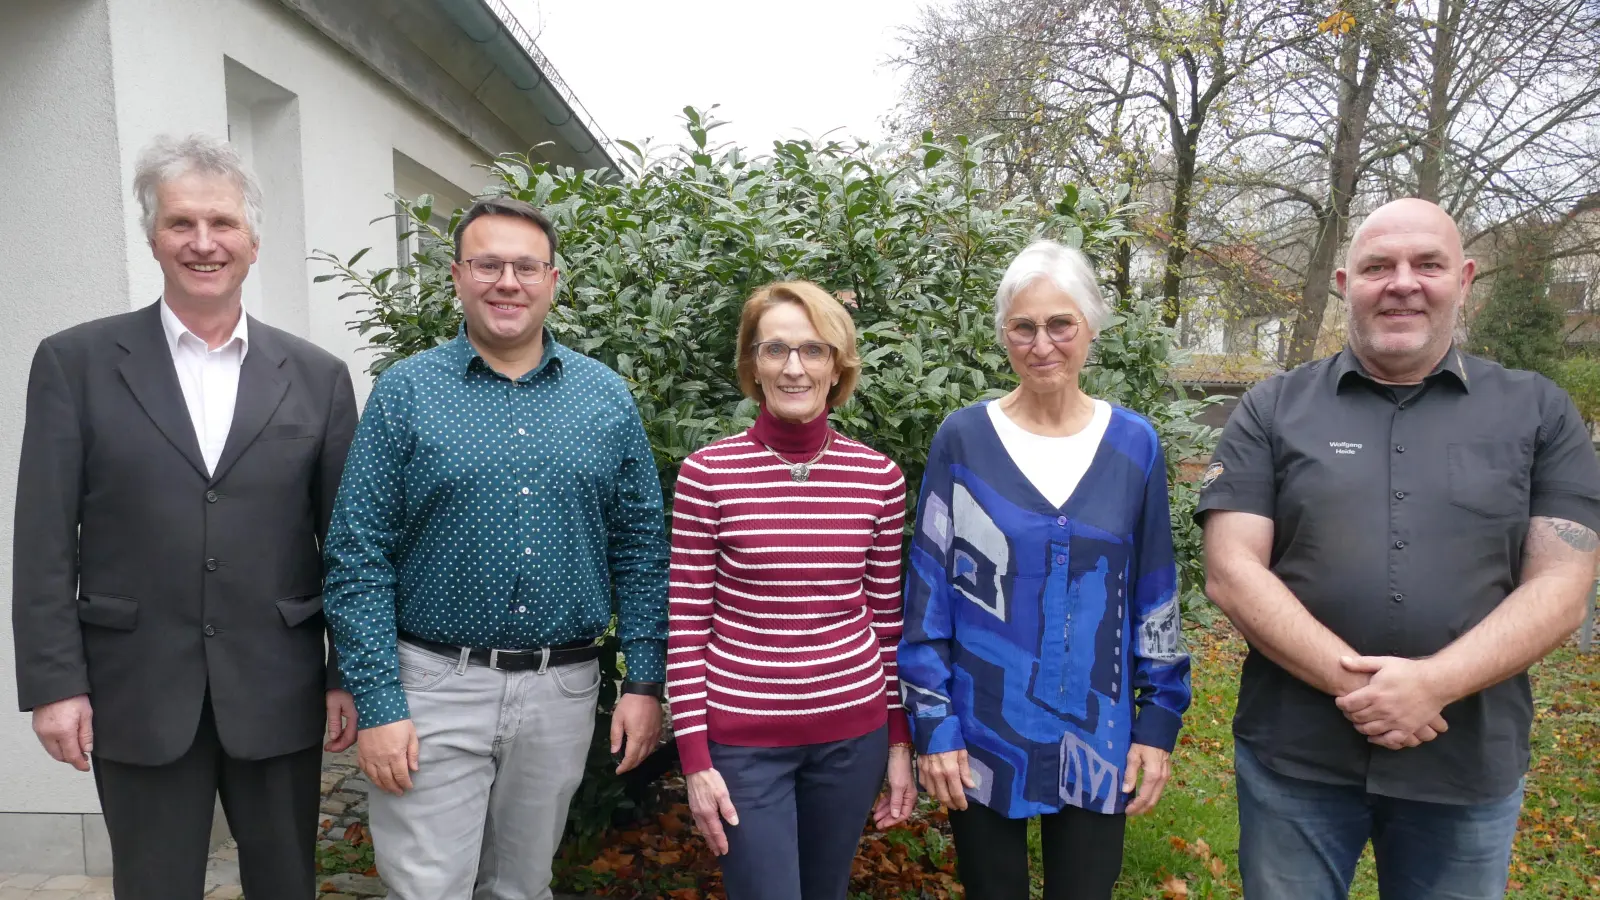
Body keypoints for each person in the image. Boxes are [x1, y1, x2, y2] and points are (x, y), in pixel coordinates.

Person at [1198, 197, 1600, 900]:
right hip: (1297, 757)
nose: (1403, 283)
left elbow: (1563, 586)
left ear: (1464, 279)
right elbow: (1232, 570)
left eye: (1428, 265)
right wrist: (1368, 692)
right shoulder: (1272, 408)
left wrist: (1433, 685)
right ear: (1345, 284)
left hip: (1465, 760)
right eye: (1378, 266)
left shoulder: (1538, 412)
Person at [11, 133, 359, 899]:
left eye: (222, 222)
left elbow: (347, 545)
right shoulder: (75, 364)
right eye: (181, 223)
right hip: (136, 688)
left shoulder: (318, 377)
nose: (204, 242)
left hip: (278, 685)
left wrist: (347, 673)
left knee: (286, 885)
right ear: (153, 237)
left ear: (253, 241)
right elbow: (43, 540)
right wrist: (54, 685)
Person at [322, 196, 669, 900]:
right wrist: (379, 701)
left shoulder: (604, 397)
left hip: (562, 690)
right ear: (457, 276)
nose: (507, 282)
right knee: (427, 890)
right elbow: (357, 554)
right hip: (432, 686)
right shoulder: (406, 392)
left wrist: (644, 682)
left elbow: (641, 549)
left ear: (553, 281)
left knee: (523, 888)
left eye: (526, 267)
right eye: (487, 265)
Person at [898, 240, 1192, 900]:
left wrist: (1158, 721)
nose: (1042, 345)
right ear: (1003, 334)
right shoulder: (963, 440)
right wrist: (933, 724)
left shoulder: (1134, 445)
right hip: (979, 730)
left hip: (1098, 734)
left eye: (1061, 324)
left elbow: (1155, 591)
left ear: (1091, 328)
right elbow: (928, 593)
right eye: (1022, 328)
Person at [666, 281, 916, 900]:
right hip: (743, 744)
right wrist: (695, 759)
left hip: (851, 738)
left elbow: (887, 623)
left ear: (838, 366)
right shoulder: (707, 474)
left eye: (813, 349)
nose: (794, 367)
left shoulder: (878, 478)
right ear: (753, 365)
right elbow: (687, 627)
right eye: (775, 349)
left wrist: (898, 742)